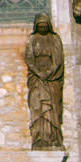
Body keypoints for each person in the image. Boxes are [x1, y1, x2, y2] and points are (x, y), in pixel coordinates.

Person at [25, 15, 64, 150]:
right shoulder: (32, 39)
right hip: (36, 77)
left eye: (45, 26)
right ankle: (39, 137)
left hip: (51, 77)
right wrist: (38, 72)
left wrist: (48, 73)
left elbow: (58, 60)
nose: (42, 29)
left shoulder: (55, 39)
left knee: (52, 105)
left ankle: (53, 136)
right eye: (40, 26)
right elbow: (29, 58)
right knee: (37, 104)